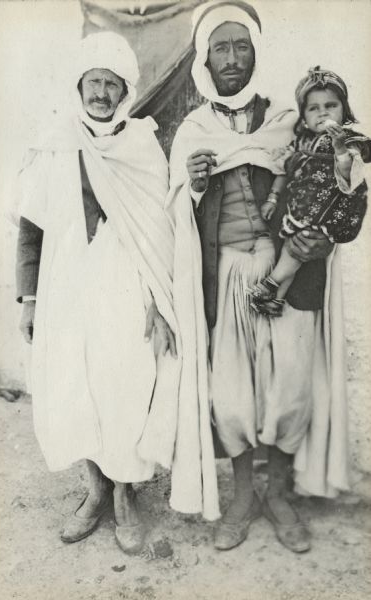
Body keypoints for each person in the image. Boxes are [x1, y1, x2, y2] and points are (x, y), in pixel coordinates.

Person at [15, 31, 219, 554]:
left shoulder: (141, 143)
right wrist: (30, 299)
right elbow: (31, 228)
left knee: (126, 382)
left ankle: (127, 492)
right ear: (79, 85)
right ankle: (95, 489)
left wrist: (158, 301)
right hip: (66, 285)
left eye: (112, 84)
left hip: (127, 285)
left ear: (125, 90)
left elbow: (159, 228)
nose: (102, 93)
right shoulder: (56, 139)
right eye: (95, 82)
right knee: (73, 387)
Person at [168, 0, 351, 554]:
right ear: (206, 58)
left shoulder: (287, 120)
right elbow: (174, 208)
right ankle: (244, 494)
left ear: (254, 53)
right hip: (224, 270)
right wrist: (194, 184)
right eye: (221, 47)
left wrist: (316, 241)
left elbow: (332, 173)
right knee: (231, 395)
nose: (232, 57)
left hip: (285, 263)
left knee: (291, 385)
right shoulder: (193, 128)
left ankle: (279, 494)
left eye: (241, 46)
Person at [250, 66, 369, 316]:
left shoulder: (347, 141)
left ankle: (271, 284)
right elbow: (284, 170)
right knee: (290, 246)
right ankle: (276, 301)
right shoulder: (301, 141)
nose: (323, 113)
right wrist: (273, 197)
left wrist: (339, 148)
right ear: (303, 115)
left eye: (331, 106)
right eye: (313, 108)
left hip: (328, 207)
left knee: (296, 247)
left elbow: (348, 173)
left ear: (343, 110)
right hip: (302, 205)